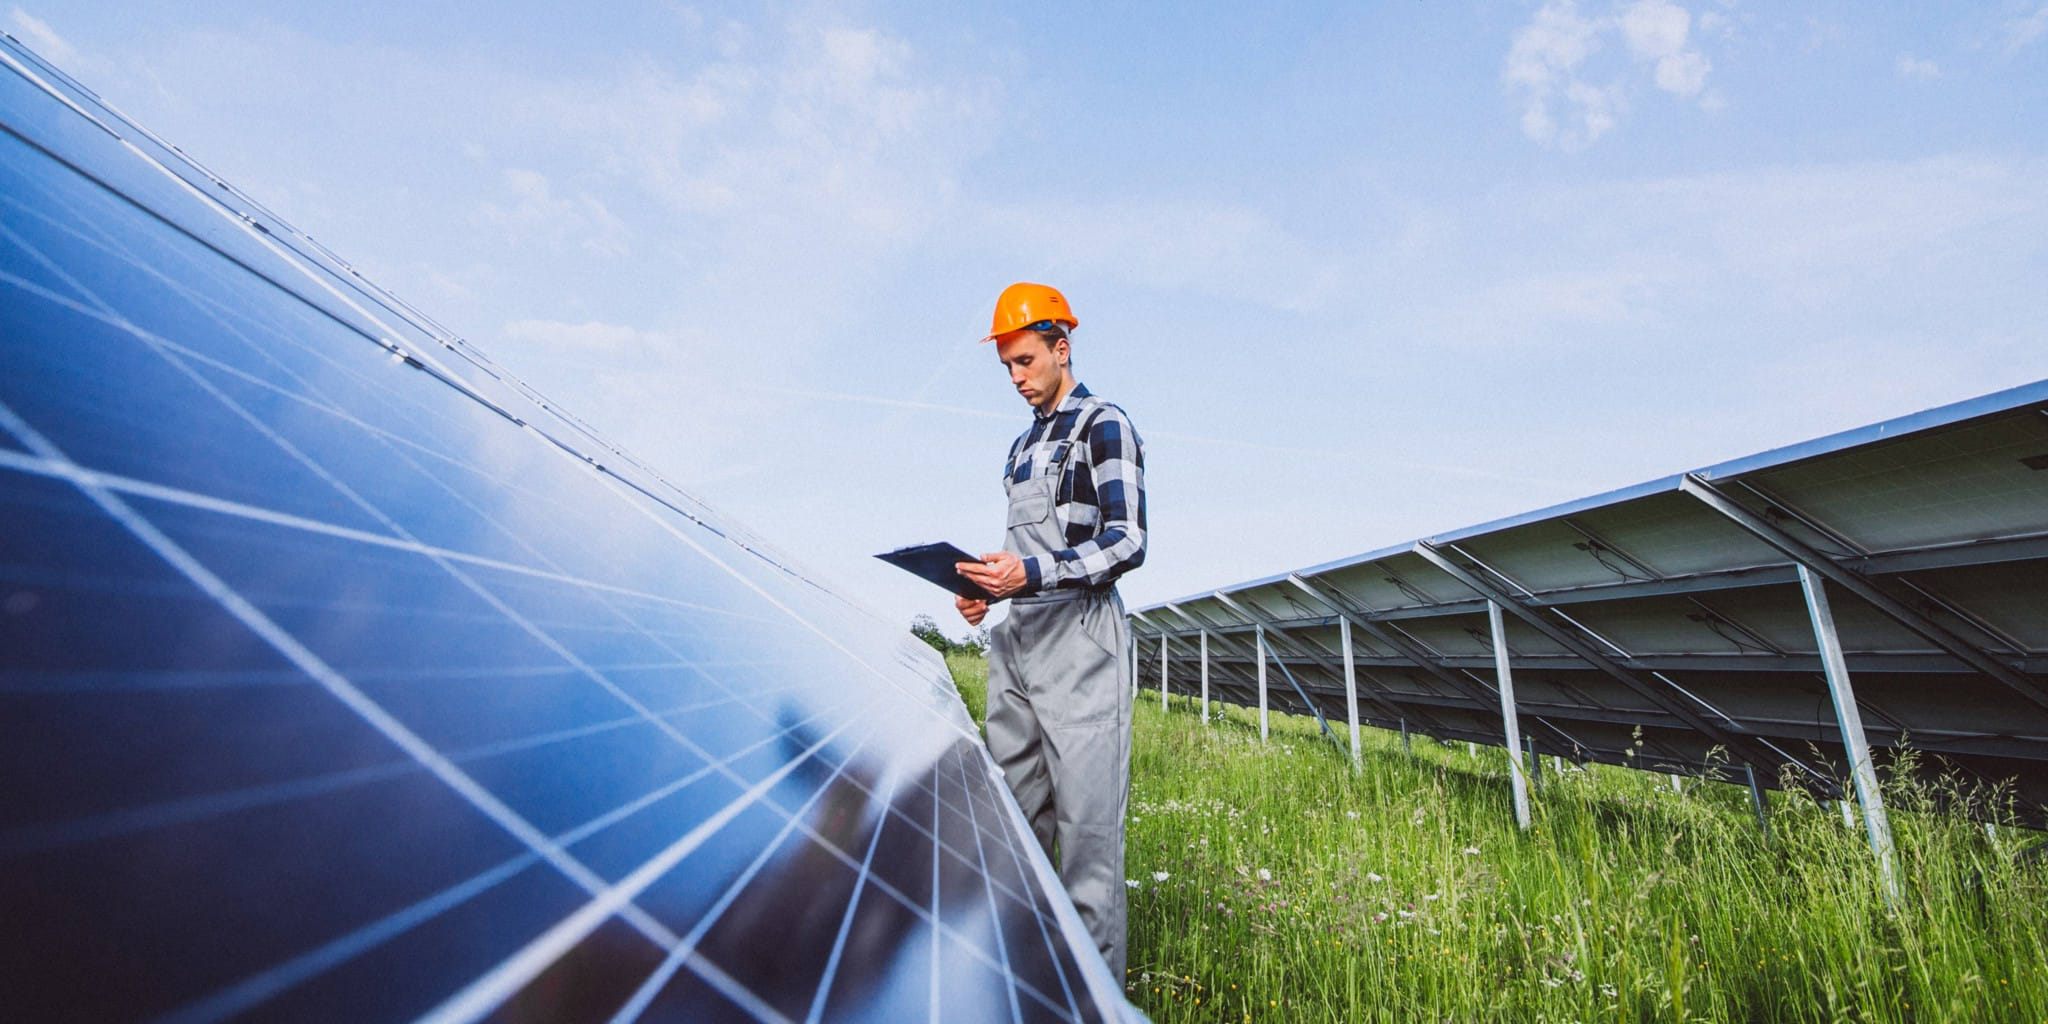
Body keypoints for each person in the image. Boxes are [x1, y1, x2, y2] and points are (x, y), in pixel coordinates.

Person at [954, 282, 1147, 981]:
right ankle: (1027, 990)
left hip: (1082, 650)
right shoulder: (1020, 445)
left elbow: (1127, 543)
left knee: (1087, 846)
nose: (1015, 378)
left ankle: (1094, 1001)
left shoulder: (1104, 424)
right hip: (1018, 646)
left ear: (1061, 349)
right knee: (1012, 833)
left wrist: (1031, 574)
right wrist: (983, 591)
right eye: (1006, 366)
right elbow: (1026, 555)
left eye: (1026, 361)